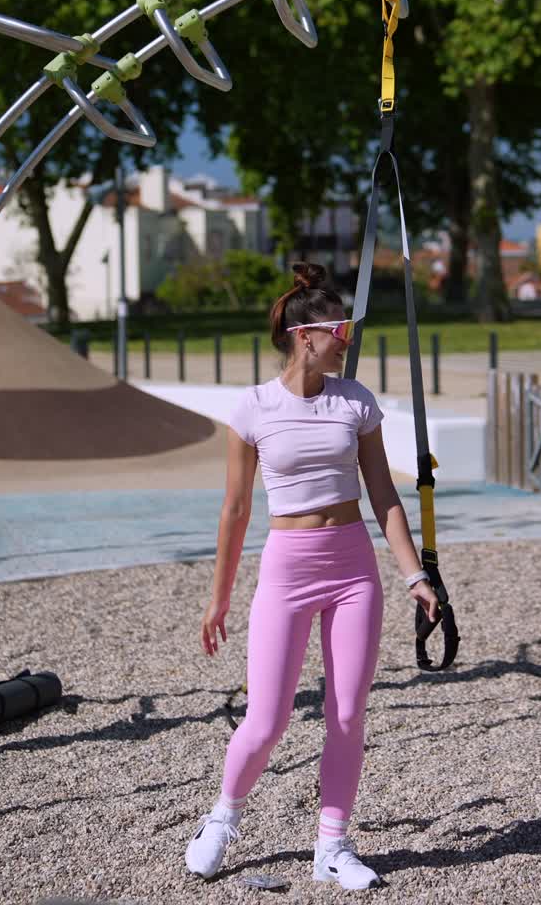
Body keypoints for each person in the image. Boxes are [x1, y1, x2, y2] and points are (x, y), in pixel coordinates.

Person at [185, 261, 440, 890]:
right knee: (266, 721)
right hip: (287, 570)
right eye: (342, 332)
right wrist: (219, 600)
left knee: (347, 715)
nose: (348, 342)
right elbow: (237, 510)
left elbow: (383, 494)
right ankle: (223, 817)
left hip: (353, 567)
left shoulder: (356, 402)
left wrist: (415, 575)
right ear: (308, 336)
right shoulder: (253, 408)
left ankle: (333, 844)